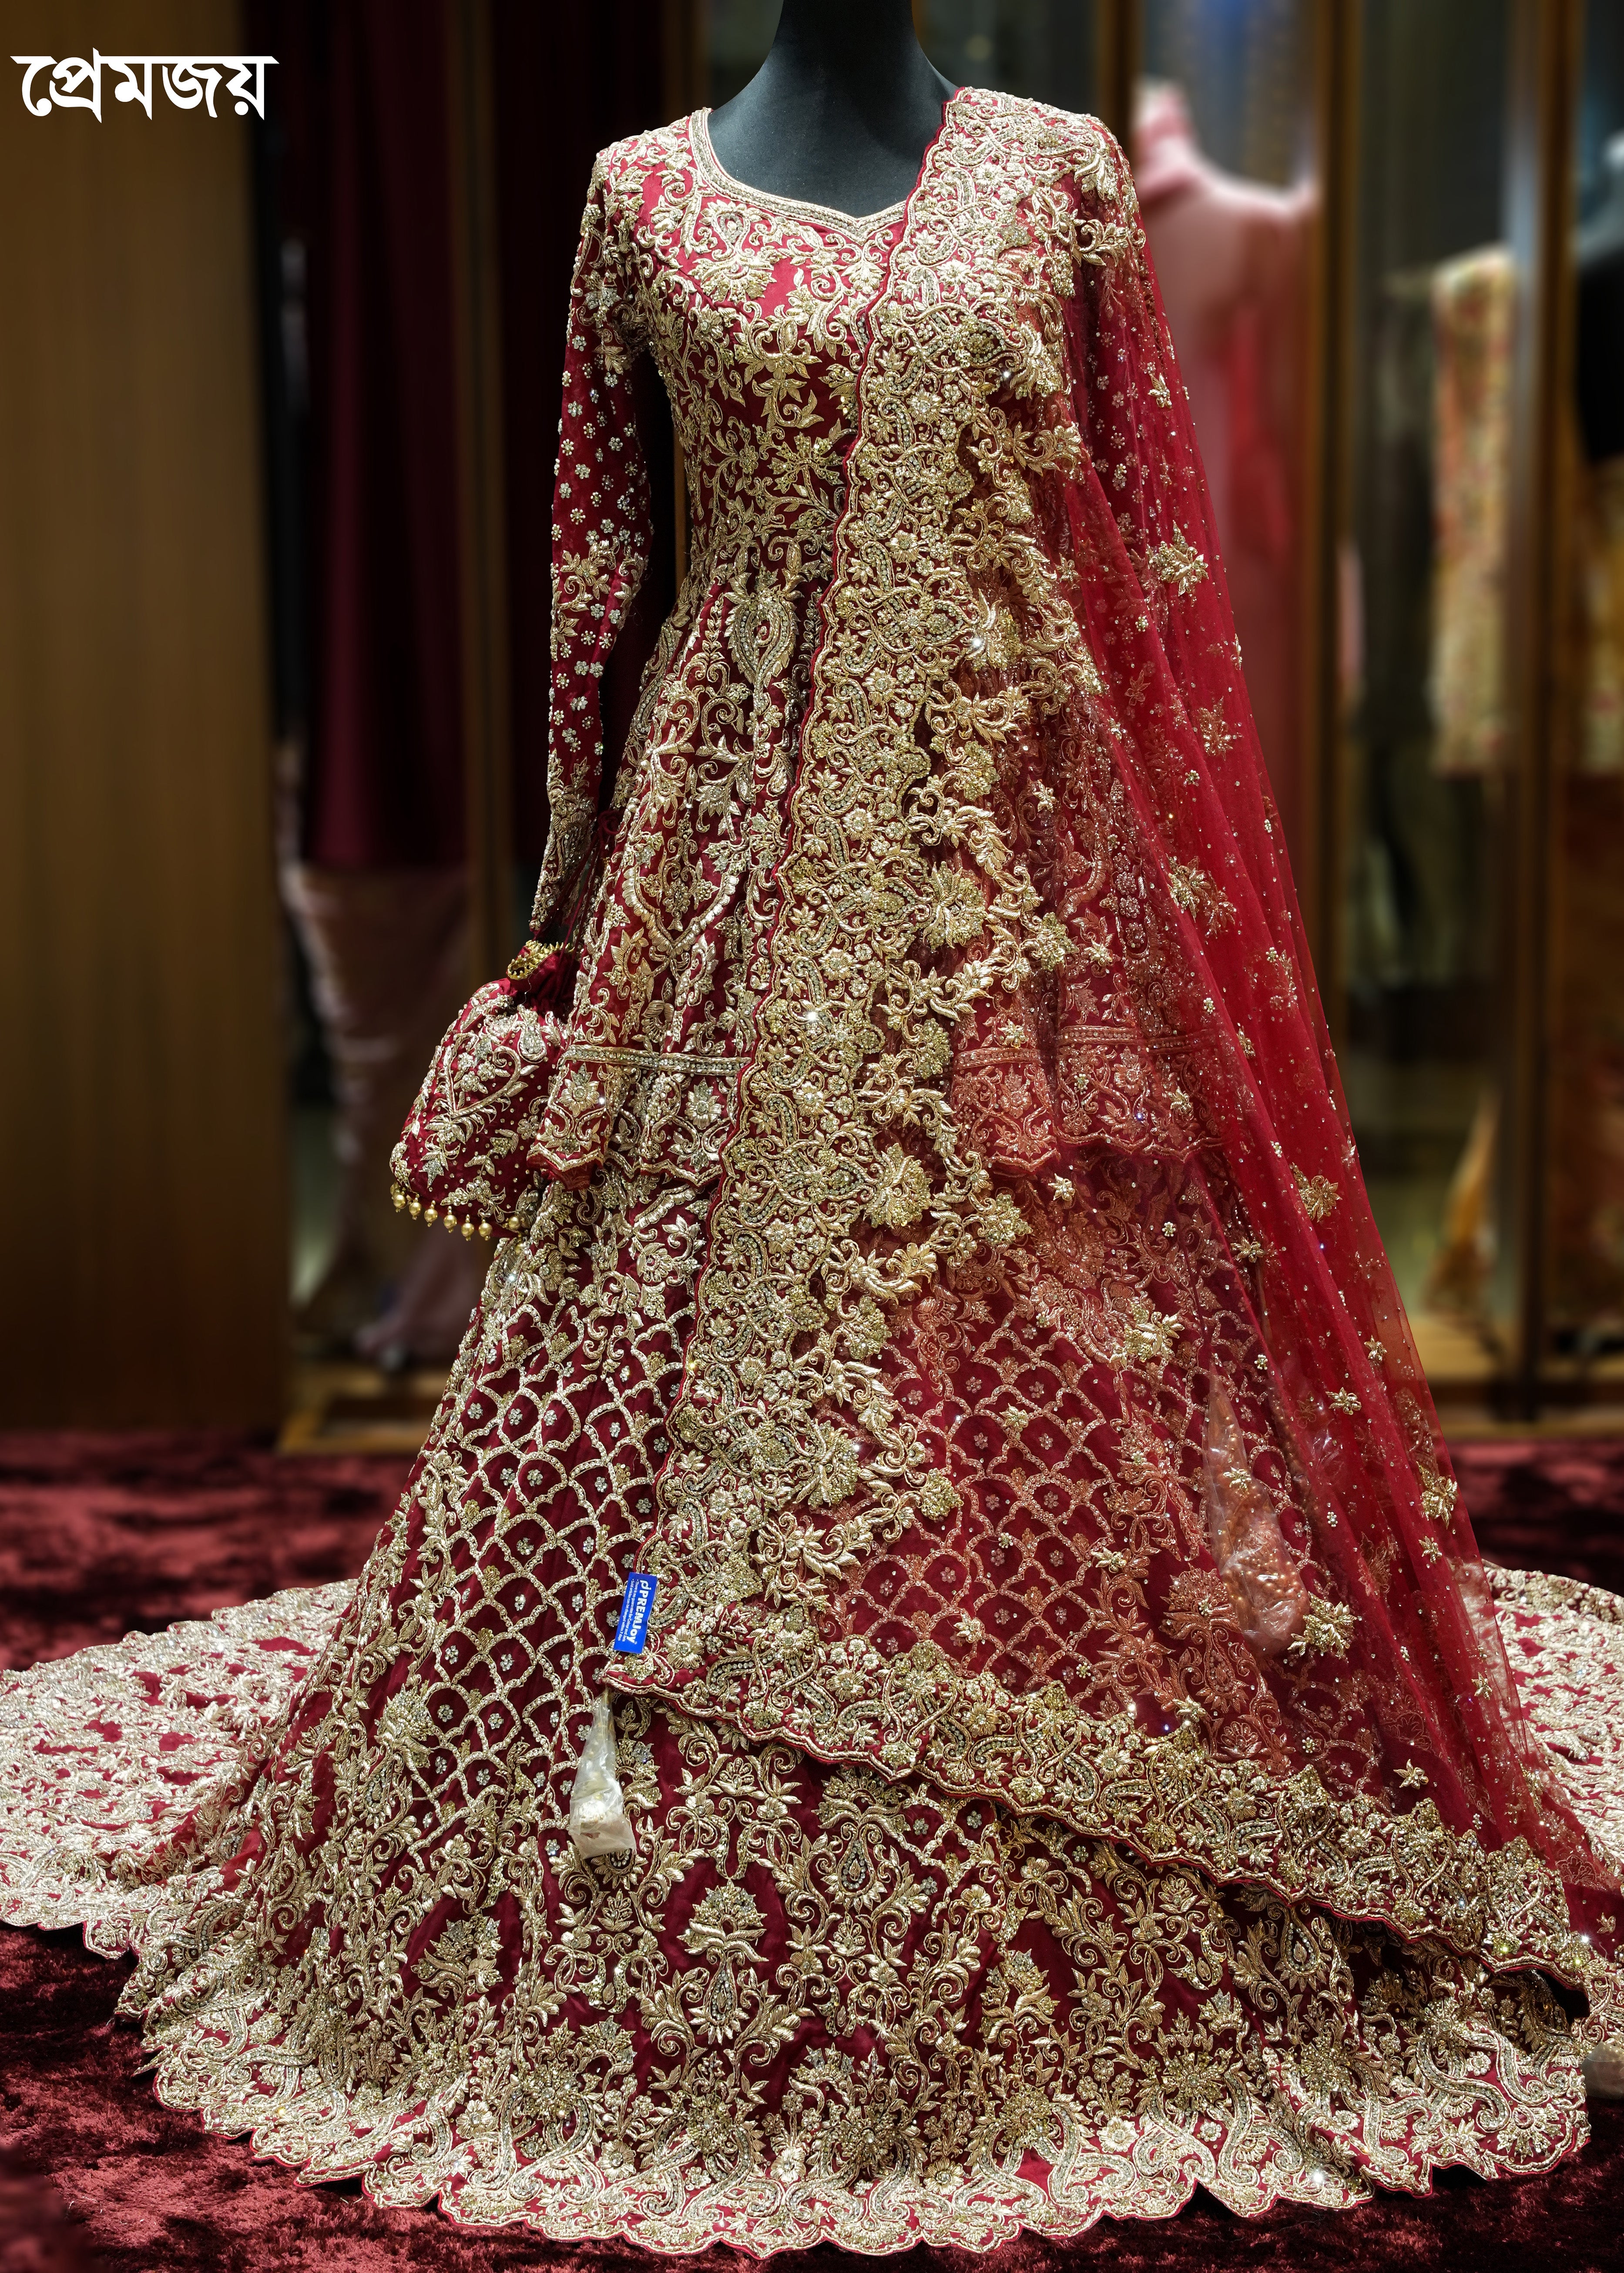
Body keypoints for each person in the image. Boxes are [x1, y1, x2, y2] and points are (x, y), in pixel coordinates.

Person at [4, 0, 1623, 2248]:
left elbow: (1137, 594)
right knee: (641, 1437)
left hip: (986, 904)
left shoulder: (1054, 182)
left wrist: (1124, 953)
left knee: (1017, 1375)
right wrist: (568, 946)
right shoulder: (633, 202)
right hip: (716, 889)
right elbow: (605, 610)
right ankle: (630, 1758)